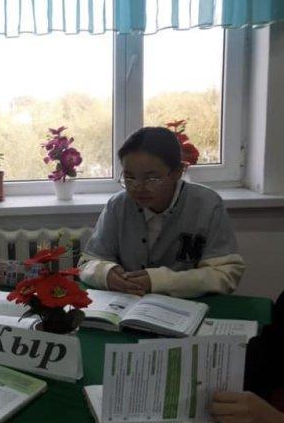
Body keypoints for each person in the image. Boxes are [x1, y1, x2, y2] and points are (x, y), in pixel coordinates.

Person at [79, 126, 245, 298]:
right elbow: (87, 262)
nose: (138, 187)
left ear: (177, 172)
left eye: (152, 178)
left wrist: (160, 281)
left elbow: (226, 273)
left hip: (186, 306)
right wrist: (105, 274)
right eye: (129, 177)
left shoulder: (207, 205)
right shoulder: (118, 205)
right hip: (128, 305)